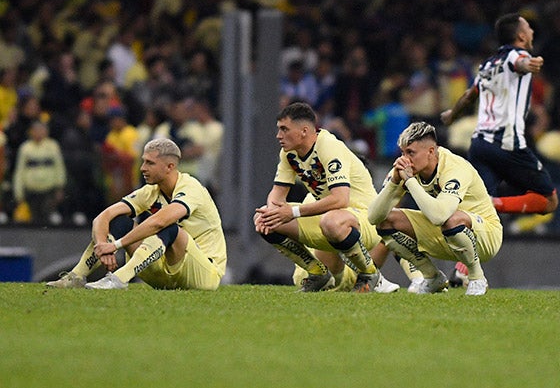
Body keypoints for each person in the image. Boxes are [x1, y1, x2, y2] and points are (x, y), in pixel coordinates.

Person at [440, 13, 558, 284]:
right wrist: (532, 63)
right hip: (507, 144)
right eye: (527, 27)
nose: (531, 30)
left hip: (480, 144)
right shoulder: (514, 57)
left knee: (476, 215)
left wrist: (451, 114)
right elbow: (520, 62)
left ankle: (460, 271)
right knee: (549, 200)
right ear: (521, 36)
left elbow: (470, 95)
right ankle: (494, 204)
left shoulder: (488, 63)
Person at [46, 138, 227, 290]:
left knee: (169, 227)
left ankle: (119, 279)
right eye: (143, 161)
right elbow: (103, 217)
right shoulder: (150, 191)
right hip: (162, 272)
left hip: (204, 273)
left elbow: (160, 222)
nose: (142, 168)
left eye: (150, 163)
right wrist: (103, 246)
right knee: (119, 221)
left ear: (169, 167)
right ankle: (75, 277)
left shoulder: (191, 188)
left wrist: (116, 245)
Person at [254, 102, 385, 293]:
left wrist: (293, 211)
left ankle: (369, 273)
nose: (278, 136)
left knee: (332, 220)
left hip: (364, 220)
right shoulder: (288, 154)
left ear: (304, 131)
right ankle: (317, 273)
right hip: (329, 220)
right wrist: (272, 212)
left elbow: (340, 199)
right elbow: (277, 193)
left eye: (284, 129)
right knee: (262, 218)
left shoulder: (329, 146)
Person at [368, 122, 503, 295]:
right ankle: (432, 277)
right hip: (444, 233)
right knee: (386, 221)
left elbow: (440, 216)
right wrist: (394, 183)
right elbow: (373, 217)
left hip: (485, 236)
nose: (405, 159)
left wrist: (409, 181)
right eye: (403, 152)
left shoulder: (454, 167)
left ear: (431, 151)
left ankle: (477, 278)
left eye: (411, 153)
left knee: (451, 219)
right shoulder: (407, 169)